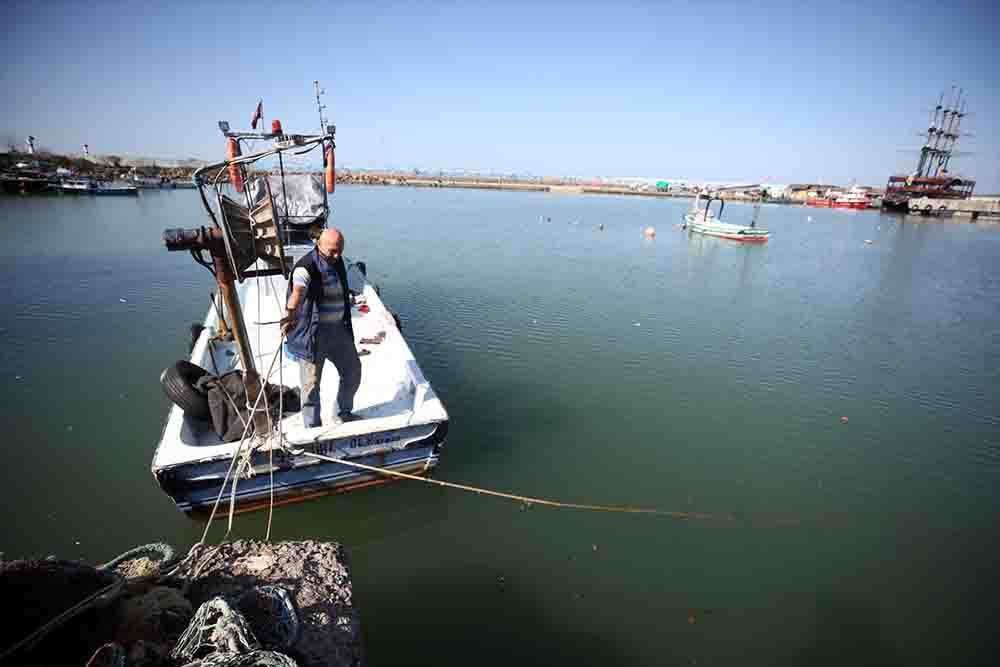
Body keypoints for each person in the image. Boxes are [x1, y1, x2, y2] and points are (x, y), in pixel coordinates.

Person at [281, 228, 362, 427]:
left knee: (352, 371)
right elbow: (298, 292)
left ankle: (344, 412)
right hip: (313, 335)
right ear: (318, 245)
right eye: (332, 251)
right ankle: (312, 427)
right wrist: (290, 314)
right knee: (311, 384)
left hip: (338, 331)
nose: (336, 255)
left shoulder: (338, 260)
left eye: (340, 250)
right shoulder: (305, 267)